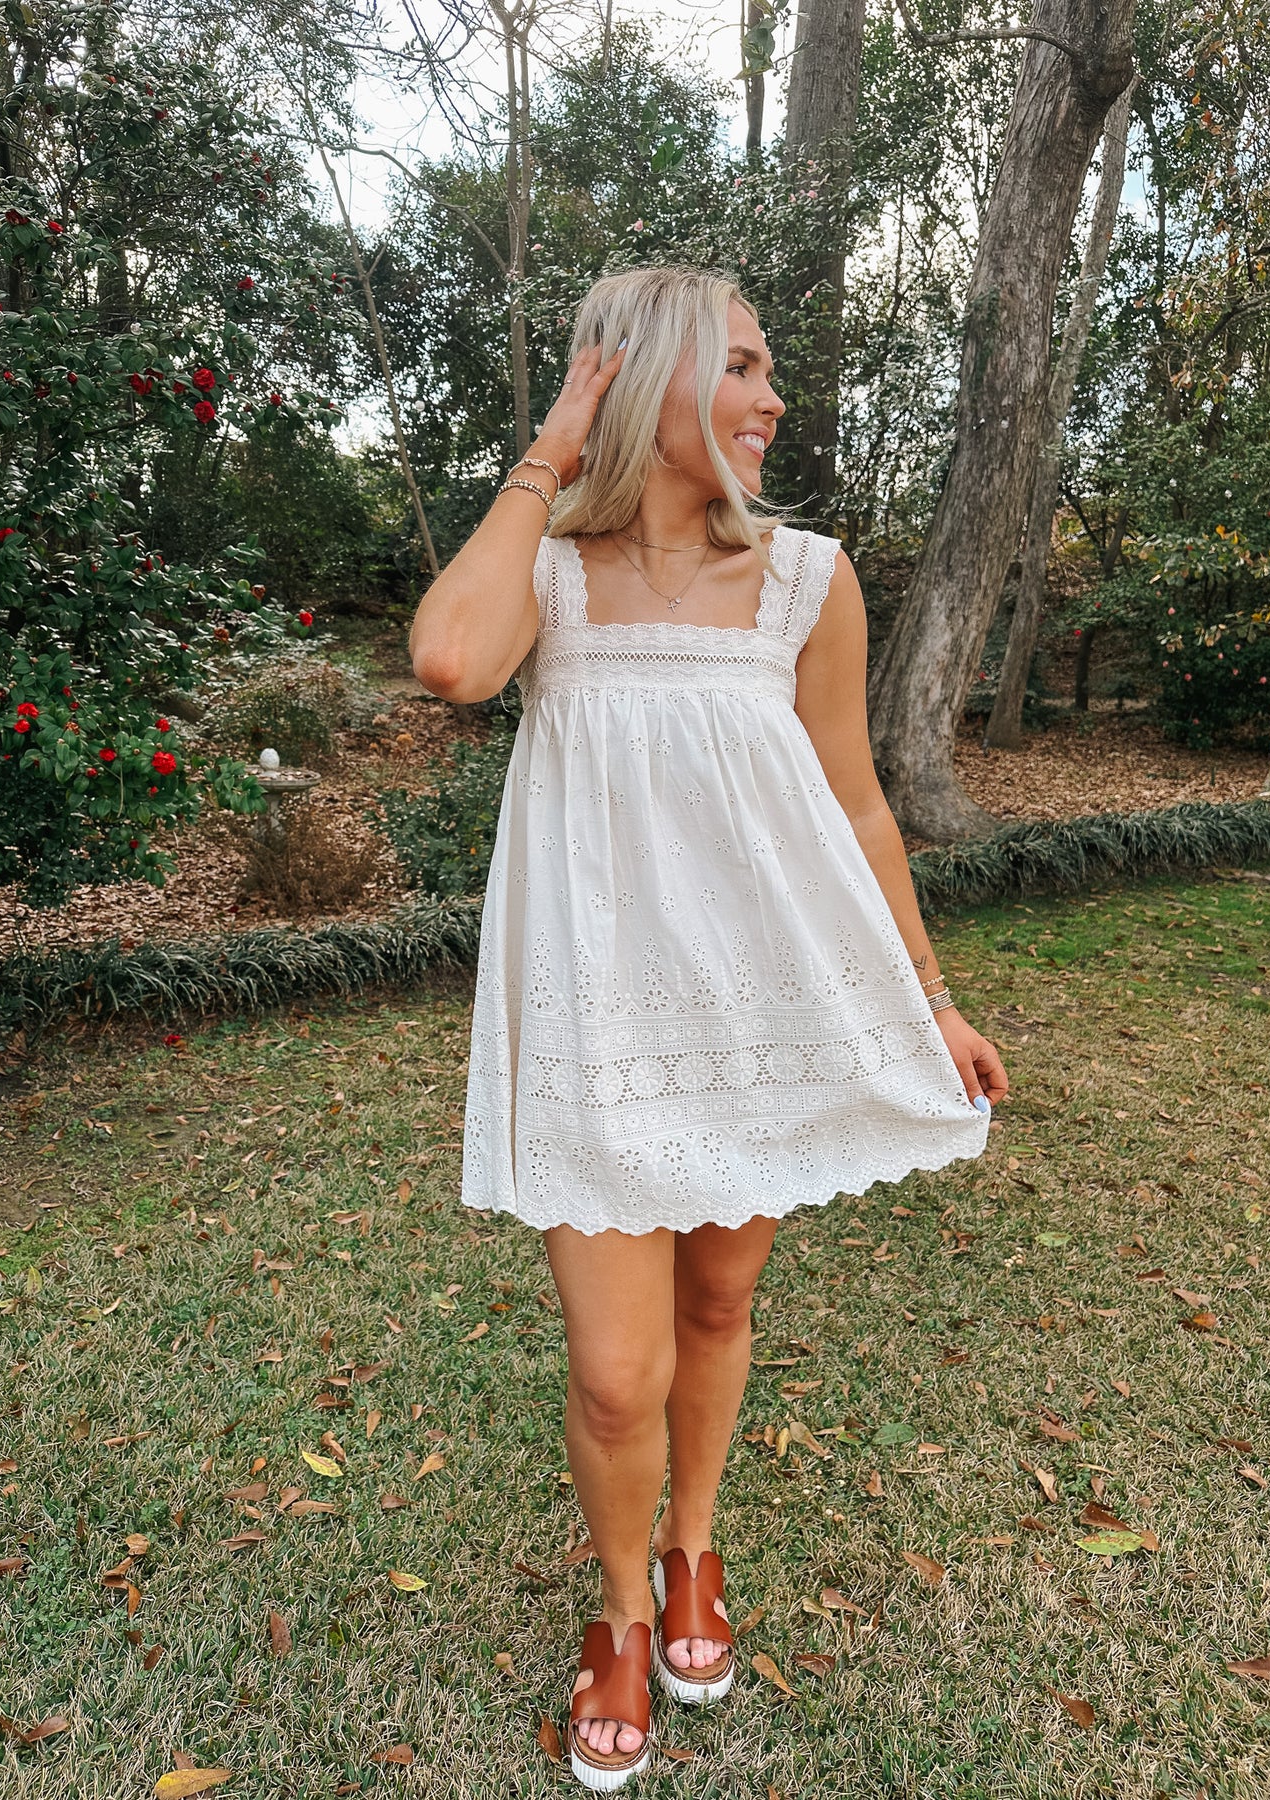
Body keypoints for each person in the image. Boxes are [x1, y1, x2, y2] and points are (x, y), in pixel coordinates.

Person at [409, 264, 1010, 1790]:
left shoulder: (806, 580)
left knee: (718, 1308)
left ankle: (690, 1554)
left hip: (757, 1016)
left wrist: (932, 997)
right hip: (596, 1031)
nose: (770, 398)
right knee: (616, 1374)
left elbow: (855, 806)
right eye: (740, 365)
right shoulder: (546, 574)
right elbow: (450, 660)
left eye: (766, 368)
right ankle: (619, 1613)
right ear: (643, 376)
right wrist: (555, 444)